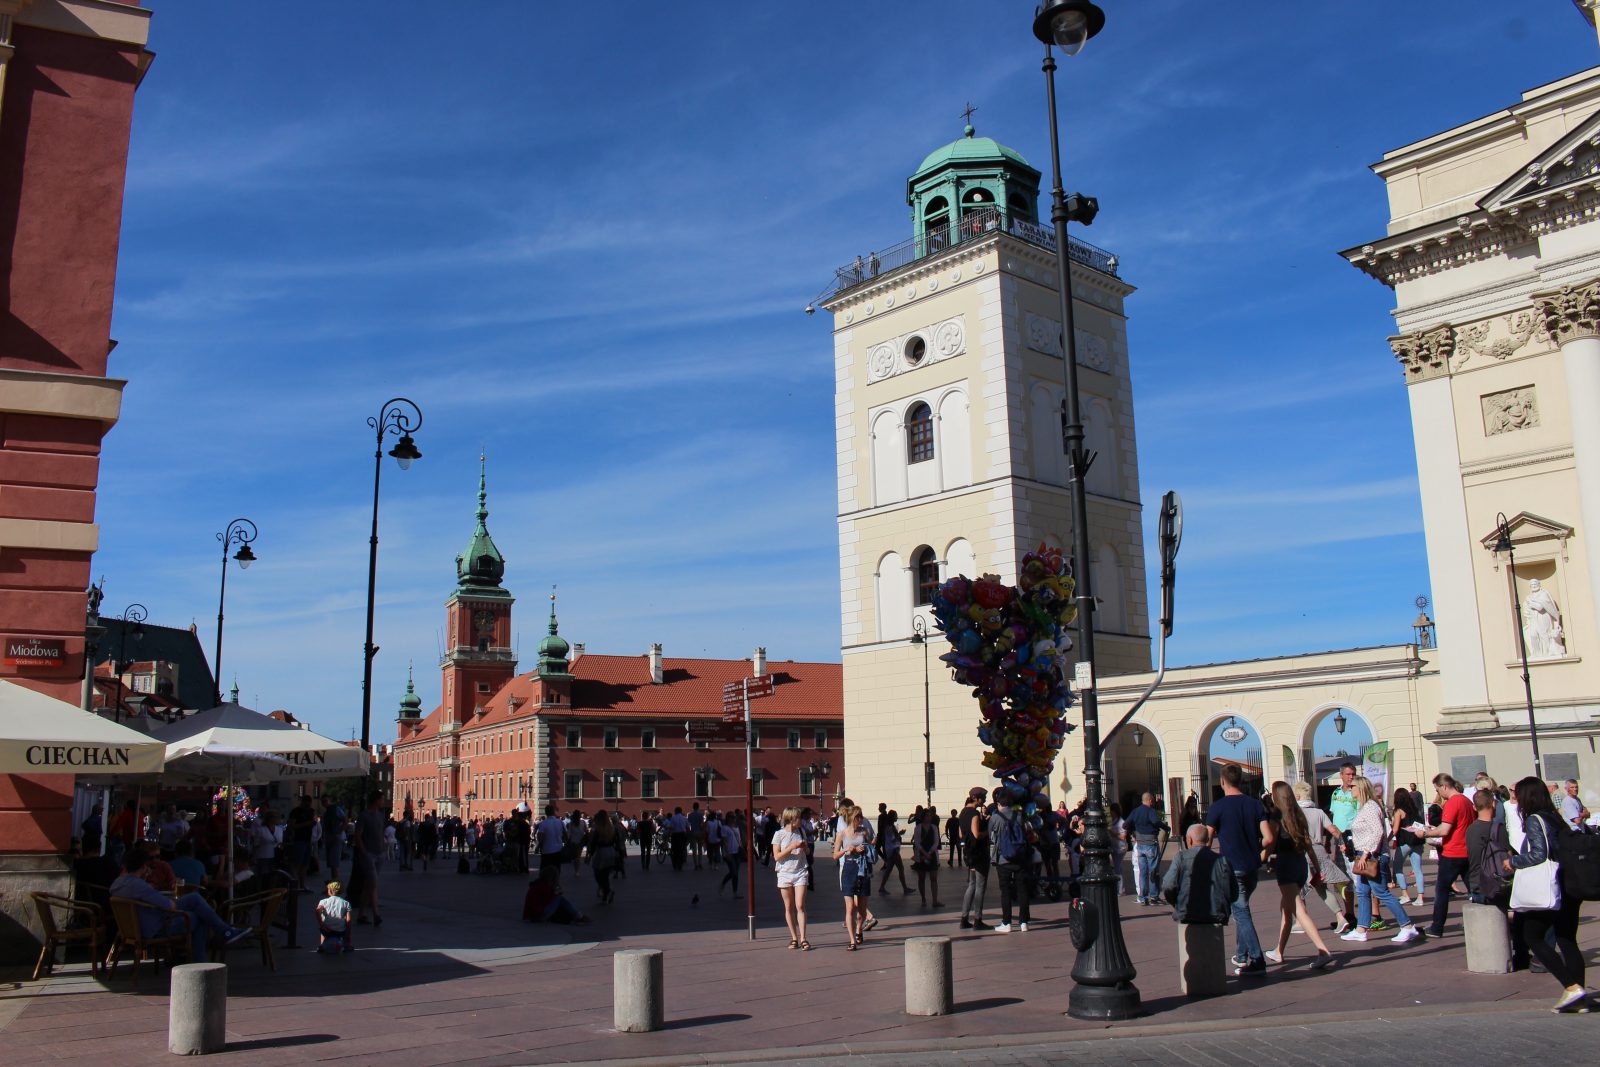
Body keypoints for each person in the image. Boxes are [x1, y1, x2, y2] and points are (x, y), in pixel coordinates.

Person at [1504, 775, 1591, 1011]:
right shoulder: (1554, 816)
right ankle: (1578, 999)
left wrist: (1514, 862)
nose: (1516, 800)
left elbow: (1539, 854)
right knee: (1566, 939)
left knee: (1532, 936)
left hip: (1552, 885)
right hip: (1570, 882)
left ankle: (1572, 987)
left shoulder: (1534, 819)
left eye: (1517, 795)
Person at [110, 849, 250, 965]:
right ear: (143, 866)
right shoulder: (139, 886)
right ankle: (206, 954)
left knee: (196, 909)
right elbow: (170, 906)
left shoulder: (118, 883)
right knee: (198, 911)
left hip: (135, 926)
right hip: (154, 928)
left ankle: (220, 937)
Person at [1340, 774, 1423, 945]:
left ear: (1361, 788)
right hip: (1365, 855)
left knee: (1380, 892)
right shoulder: (1366, 807)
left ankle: (1407, 926)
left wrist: (1365, 854)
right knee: (1363, 892)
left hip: (1373, 856)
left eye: (1352, 787)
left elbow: (1378, 832)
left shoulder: (1370, 807)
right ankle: (1361, 929)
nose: (1350, 789)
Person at [1206, 763, 1273, 976]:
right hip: (1252, 866)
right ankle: (1242, 956)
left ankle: (1257, 959)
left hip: (1231, 867)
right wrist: (1262, 855)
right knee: (1242, 910)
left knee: (1241, 913)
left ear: (1223, 781)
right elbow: (1269, 837)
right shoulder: (1255, 805)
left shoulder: (1218, 807)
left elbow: (1207, 839)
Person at [1266, 781, 1334, 970]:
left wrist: (1262, 857)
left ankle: (1323, 950)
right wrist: (1318, 869)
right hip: (1300, 863)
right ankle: (1279, 950)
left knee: (1298, 910)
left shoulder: (1276, 816)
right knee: (1286, 910)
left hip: (1285, 864)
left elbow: (1270, 843)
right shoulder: (1298, 814)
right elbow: (1308, 844)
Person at [1417, 772, 1473, 938]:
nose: (1438, 793)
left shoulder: (1453, 802)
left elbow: (1445, 829)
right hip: (1466, 851)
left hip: (1453, 852)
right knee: (1474, 889)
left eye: (1437, 789)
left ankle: (1437, 926)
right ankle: (1485, 915)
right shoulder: (1466, 801)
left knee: (1441, 889)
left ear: (1444, 786)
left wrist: (1425, 834)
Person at [1293, 781, 1354, 933]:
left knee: (1297, 889)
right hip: (1319, 851)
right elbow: (1333, 829)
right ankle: (1340, 917)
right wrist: (1345, 842)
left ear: (1298, 796)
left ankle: (1301, 922)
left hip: (1303, 852)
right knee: (1322, 887)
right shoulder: (1319, 812)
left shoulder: (1294, 813)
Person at [1162, 824, 1236, 925]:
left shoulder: (1181, 857)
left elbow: (1168, 885)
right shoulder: (1223, 860)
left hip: (1187, 914)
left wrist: (1177, 903)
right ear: (1208, 839)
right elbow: (1234, 892)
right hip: (1217, 915)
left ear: (1189, 840)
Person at [989, 789, 1032, 933]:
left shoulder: (995, 818)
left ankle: (1006, 922)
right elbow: (1028, 831)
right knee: (1023, 890)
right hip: (1020, 857)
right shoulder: (1019, 816)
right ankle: (1024, 922)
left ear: (998, 803)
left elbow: (991, 836)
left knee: (1005, 891)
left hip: (1003, 858)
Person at [833, 805, 874, 950]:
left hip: (863, 869)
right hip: (849, 869)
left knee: (862, 910)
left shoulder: (863, 831)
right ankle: (852, 940)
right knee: (850, 908)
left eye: (861, 816)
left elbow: (871, 845)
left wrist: (866, 847)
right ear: (851, 818)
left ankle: (859, 929)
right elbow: (835, 855)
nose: (860, 819)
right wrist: (846, 850)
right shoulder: (842, 834)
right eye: (858, 817)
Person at [772, 807, 812, 949]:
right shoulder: (779, 834)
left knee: (800, 905)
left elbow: (807, 851)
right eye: (798, 818)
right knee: (788, 907)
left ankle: (803, 938)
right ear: (791, 819)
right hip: (784, 872)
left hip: (800, 870)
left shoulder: (801, 832)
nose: (801, 820)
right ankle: (794, 938)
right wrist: (791, 847)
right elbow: (777, 856)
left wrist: (803, 848)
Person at [1126, 792, 1170, 906]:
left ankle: (1143, 896)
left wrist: (1134, 832)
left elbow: (1125, 824)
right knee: (1153, 871)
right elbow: (1155, 821)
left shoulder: (1136, 811)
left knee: (1143, 872)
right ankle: (1154, 896)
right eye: (1153, 801)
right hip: (1151, 843)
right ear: (1150, 801)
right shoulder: (1150, 811)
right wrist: (1165, 827)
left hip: (1140, 844)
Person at [350, 792, 386, 927]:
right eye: (382, 799)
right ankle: (376, 914)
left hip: (379, 853)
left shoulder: (381, 816)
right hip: (369, 854)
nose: (383, 802)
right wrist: (364, 851)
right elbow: (358, 835)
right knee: (373, 882)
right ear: (376, 800)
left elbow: (380, 833)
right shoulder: (364, 815)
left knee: (368, 885)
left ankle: (361, 914)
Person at [958, 787, 991, 930]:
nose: (984, 800)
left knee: (971, 885)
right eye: (983, 798)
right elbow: (977, 834)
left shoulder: (963, 812)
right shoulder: (974, 814)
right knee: (980, 886)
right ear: (976, 798)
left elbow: (961, 835)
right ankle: (978, 919)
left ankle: (964, 918)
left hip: (968, 853)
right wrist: (987, 833)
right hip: (979, 854)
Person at [1390, 787, 1426, 906]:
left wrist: (1387, 839)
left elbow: (1395, 830)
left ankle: (1405, 894)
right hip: (1417, 841)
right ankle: (1420, 897)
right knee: (1417, 869)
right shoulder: (1413, 809)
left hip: (1404, 842)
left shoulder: (1398, 811)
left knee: (1398, 867)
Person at [522, 865, 591, 925]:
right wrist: (556, 893)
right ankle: (578, 916)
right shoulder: (543, 886)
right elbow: (548, 901)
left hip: (533, 915)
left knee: (558, 902)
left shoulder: (538, 884)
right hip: (538, 916)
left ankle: (574, 917)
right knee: (559, 899)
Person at [586, 810, 621, 904]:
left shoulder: (597, 829)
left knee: (598, 874)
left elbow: (593, 844)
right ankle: (605, 895)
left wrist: (589, 855)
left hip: (601, 852)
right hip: (611, 851)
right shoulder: (612, 828)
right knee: (605, 875)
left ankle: (608, 891)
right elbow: (617, 842)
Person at [911, 807, 943, 906]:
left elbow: (936, 841)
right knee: (922, 877)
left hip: (931, 854)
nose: (929, 817)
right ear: (923, 817)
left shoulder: (934, 827)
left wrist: (930, 852)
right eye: (927, 815)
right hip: (921, 854)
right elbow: (917, 842)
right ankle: (923, 899)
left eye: (930, 815)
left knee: (933, 877)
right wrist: (925, 853)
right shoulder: (918, 827)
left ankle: (935, 900)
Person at [877, 810, 911, 895]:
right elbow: (892, 839)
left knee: (889, 869)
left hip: (891, 849)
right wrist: (900, 834)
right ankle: (905, 888)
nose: (897, 817)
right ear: (892, 817)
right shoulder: (889, 827)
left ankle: (882, 887)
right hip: (893, 850)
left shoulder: (890, 826)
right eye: (896, 816)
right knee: (901, 868)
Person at [285, 796, 316, 887]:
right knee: (296, 864)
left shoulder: (311, 811)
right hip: (299, 840)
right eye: (307, 803)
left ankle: (302, 885)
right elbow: (292, 825)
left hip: (308, 840)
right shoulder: (295, 811)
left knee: (305, 864)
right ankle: (295, 885)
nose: (308, 805)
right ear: (303, 802)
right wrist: (307, 824)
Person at [317, 880, 354, 953]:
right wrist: (348, 934)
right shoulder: (346, 903)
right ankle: (345, 945)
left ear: (330, 891)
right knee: (344, 929)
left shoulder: (323, 901)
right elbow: (348, 920)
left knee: (323, 930)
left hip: (326, 930)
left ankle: (322, 945)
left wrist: (321, 924)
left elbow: (317, 910)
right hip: (340, 931)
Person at [718, 811, 743, 897]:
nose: (734, 819)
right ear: (728, 818)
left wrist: (741, 846)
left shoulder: (737, 827)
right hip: (729, 853)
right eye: (732, 817)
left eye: (734, 817)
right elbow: (724, 841)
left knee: (735, 874)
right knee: (733, 872)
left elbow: (739, 839)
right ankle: (723, 884)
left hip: (737, 852)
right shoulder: (725, 828)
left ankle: (735, 893)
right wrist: (726, 852)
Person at [536, 805, 567, 871]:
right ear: (553, 812)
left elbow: (540, 838)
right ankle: (556, 880)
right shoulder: (560, 822)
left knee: (545, 870)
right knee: (557, 869)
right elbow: (566, 835)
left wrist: (538, 846)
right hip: (558, 849)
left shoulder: (543, 823)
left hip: (546, 850)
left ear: (546, 812)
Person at [667, 806, 689, 871]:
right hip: (682, 835)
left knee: (674, 850)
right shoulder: (684, 818)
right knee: (681, 850)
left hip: (675, 835)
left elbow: (671, 827)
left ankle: (675, 864)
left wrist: (669, 833)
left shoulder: (673, 818)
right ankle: (680, 864)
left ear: (675, 811)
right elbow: (687, 827)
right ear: (681, 811)